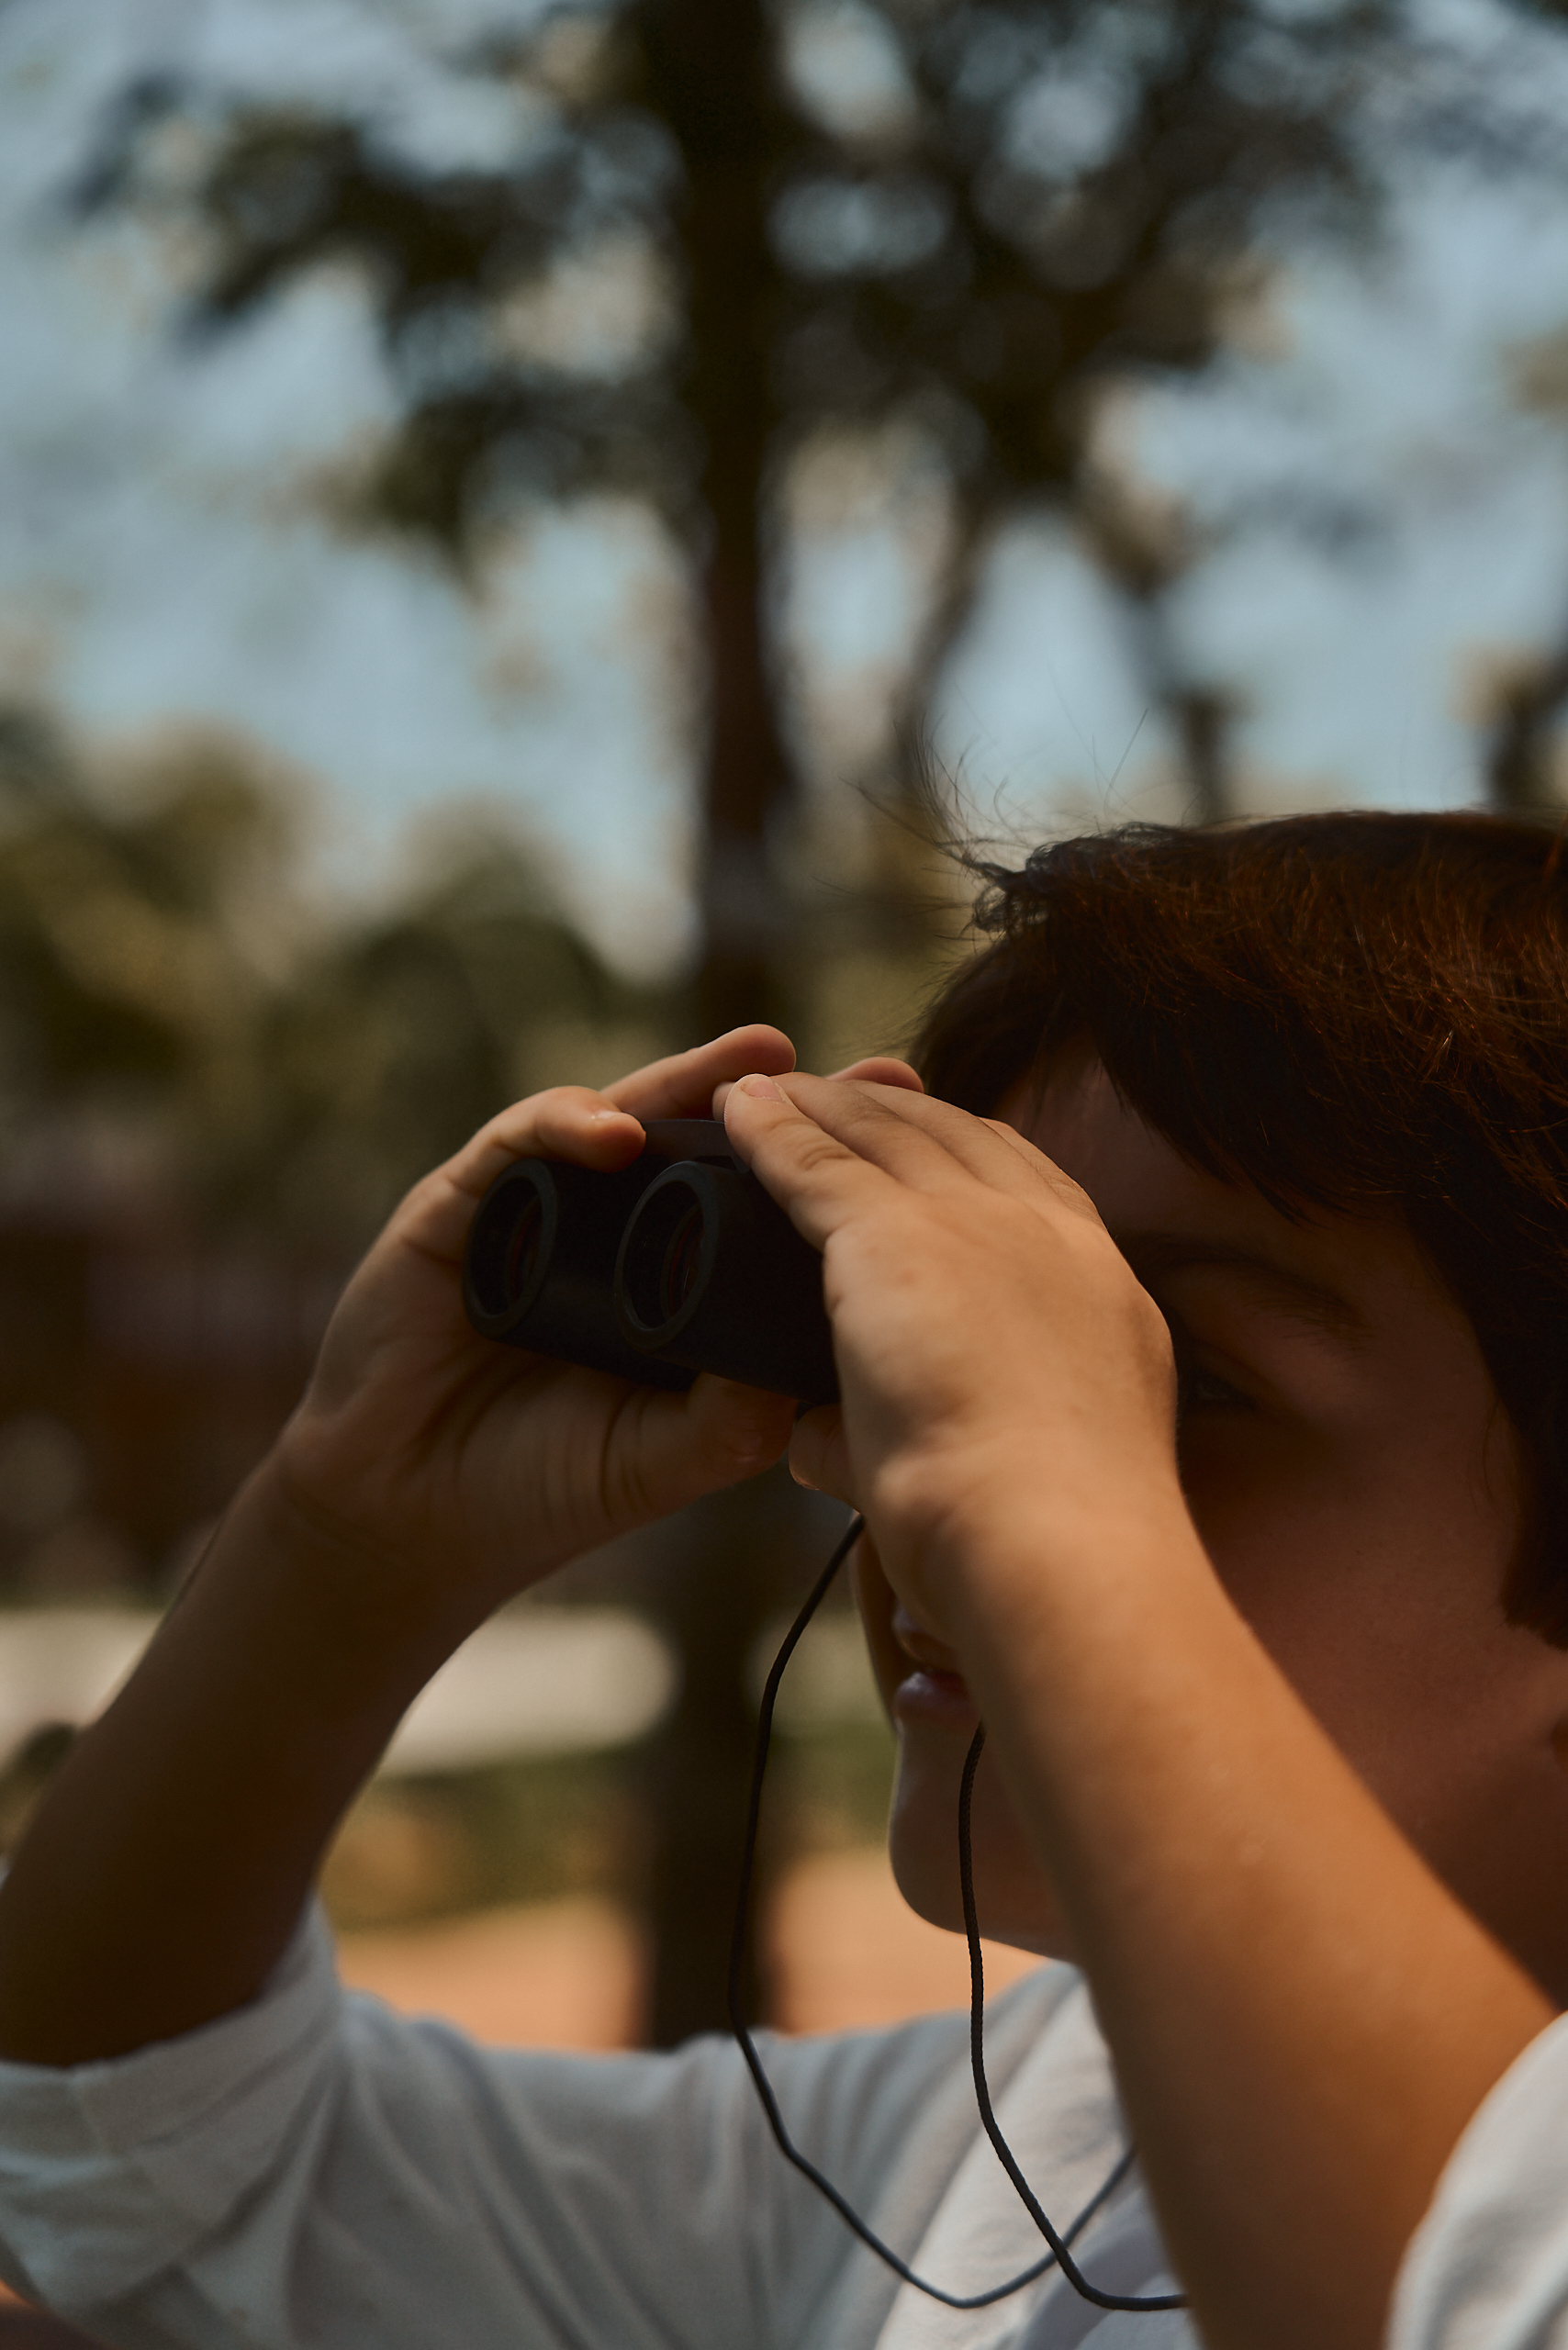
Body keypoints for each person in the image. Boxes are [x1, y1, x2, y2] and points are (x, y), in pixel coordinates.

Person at [0, 809, 1563, 2350]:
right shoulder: (1020, 2145)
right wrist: (341, 1541)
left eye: (1177, 1374)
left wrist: (1036, 1496)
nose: (910, 1473)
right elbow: (137, 2170)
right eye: (969, 1331)